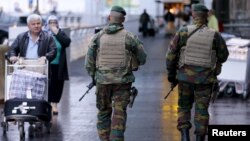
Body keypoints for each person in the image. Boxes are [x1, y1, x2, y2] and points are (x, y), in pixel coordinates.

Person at [166, 3, 229, 141]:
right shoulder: (214, 35)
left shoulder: (183, 32)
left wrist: (172, 76)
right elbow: (224, 55)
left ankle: (184, 136)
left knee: (184, 107)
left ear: (193, 15)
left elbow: (170, 56)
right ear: (206, 16)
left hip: (185, 79)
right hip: (205, 80)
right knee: (202, 110)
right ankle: (200, 138)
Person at [85, 6, 147, 141]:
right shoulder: (130, 37)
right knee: (119, 113)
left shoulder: (98, 37)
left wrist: (94, 76)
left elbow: (89, 63)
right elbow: (142, 59)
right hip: (123, 83)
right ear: (123, 20)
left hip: (102, 82)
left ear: (109, 17)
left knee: (103, 113)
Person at [44, 15, 71, 115]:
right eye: (50, 22)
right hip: (48, 64)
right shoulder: (44, 34)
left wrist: (57, 32)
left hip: (59, 64)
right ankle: (48, 104)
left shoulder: (60, 33)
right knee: (48, 85)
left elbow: (67, 42)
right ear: (47, 23)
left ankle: (55, 105)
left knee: (58, 85)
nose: (52, 24)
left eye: (54, 22)